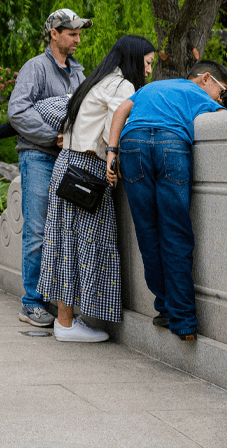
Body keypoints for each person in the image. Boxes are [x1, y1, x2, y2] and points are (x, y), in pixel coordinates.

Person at [105, 59, 227, 341]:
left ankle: (164, 307)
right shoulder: (200, 94)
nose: (219, 98)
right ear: (205, 79)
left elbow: (120, 111)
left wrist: (111, 152)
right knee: (175, 233)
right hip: (171, 145)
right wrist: (218, 106)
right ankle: (184, 322)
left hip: (132, 145)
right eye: (221, 91)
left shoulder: (151, 87)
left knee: (148, 233)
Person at [37, 35, 155, 342]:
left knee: (65, 243)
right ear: (133, 59)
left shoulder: (96, 80)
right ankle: (65, 323)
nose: (149, 71)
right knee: (87, 244)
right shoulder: (122, 86)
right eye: (147, 63)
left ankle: (66, 320)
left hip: (68, 165)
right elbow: (113, 128)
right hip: (88, 170)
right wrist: (115, 157)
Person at [7, 8, 90, 327]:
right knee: (38, 230)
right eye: (72, 33)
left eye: (79, 33)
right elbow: (17, 112)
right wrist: (51, 136)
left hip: (66, 158)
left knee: (62, 231)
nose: (78, 39)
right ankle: (31, 303)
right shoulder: (35, 68)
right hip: (38, 156)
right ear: (54, 34)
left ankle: (54, 298)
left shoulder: (79, 73)